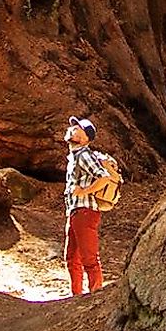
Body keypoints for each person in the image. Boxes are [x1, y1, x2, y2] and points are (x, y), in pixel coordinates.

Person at [61, 116, 120, 296]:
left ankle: (95, 295)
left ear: (86, 138)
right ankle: (76, 297)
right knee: (71, 257)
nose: (73, 129)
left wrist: (84, 191)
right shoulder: (74, 157)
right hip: (75, 212)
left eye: (78, 128)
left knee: (89, 258)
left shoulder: (84, 155)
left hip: (85, 211)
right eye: (73, 127)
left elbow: (103, 177)